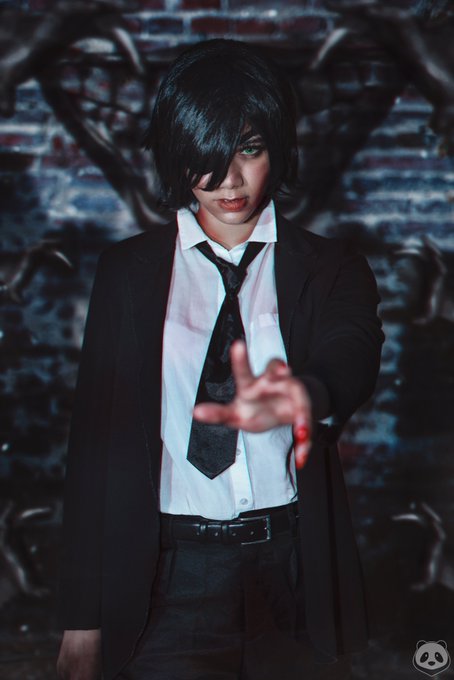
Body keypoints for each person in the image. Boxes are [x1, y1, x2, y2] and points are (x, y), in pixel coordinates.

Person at [56, 39, 384, 680]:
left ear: (277, 149)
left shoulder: (331, 265)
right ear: (174, 156)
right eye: (204, 156)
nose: (228, 179)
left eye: (249, 149)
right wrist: (81, 617)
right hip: (167, 579)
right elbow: (93, 448)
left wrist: (307, 394)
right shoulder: (126, 273)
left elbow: (352, 350)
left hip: (293, 572)